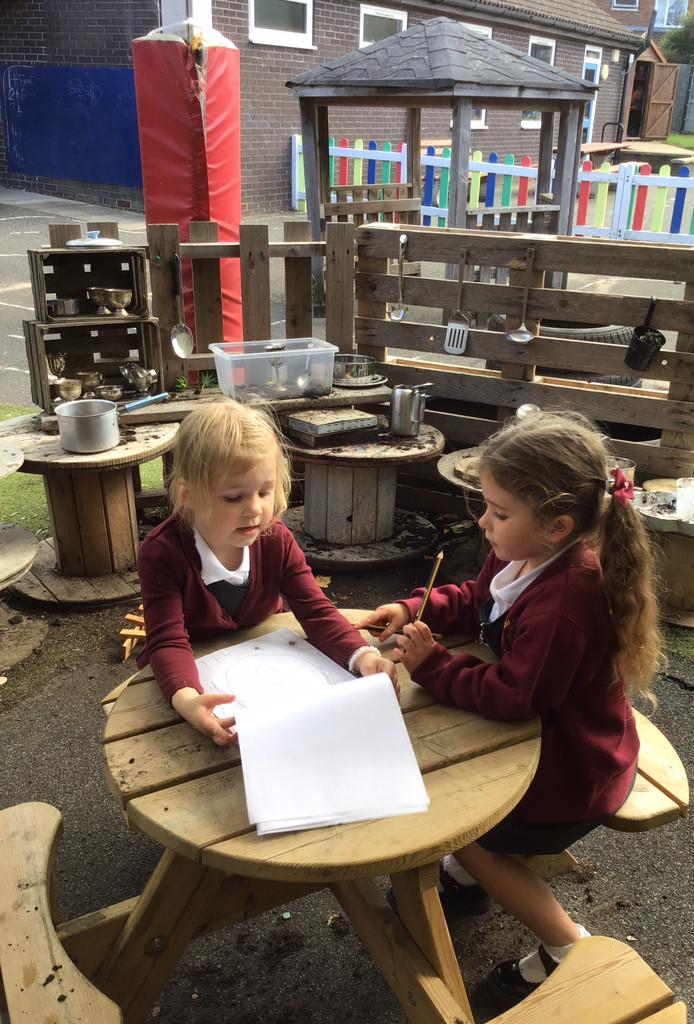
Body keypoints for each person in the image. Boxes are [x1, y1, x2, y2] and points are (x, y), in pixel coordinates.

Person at [362, 411, 662, 1008]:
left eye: (499, 512)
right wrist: (415, 607)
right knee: (443, 778)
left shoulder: (565, 603)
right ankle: (467, 880)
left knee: (463, 829)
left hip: (574, 772)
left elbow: (513, 696)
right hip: (553, 739)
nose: (483, 522)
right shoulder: (523, 554)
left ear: (558, 525)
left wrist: (433, 666)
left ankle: (565, 946)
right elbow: (476, 599)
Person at [138, 398, 396, 747]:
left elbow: (316, 611)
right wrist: (188, 700)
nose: (255, 509)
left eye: (264, 491)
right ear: (188, 495)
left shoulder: (276, 540)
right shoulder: (162, 553)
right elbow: (167, 640)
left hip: (269, 672)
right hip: (191, 677)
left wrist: (362, 656)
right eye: (234, 498)